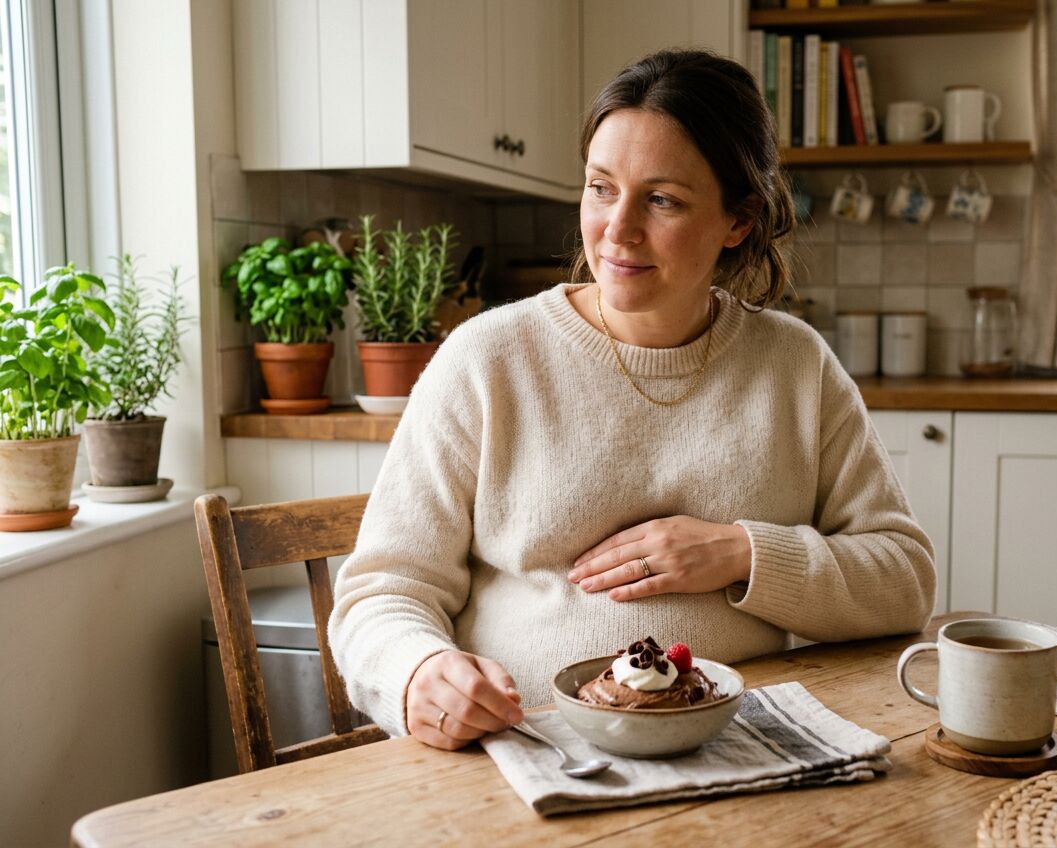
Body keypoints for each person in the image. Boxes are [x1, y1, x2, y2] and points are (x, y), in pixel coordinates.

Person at [329, 49, 935, 751]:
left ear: (737, 220)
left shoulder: (794, 365)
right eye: (600, 188)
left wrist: (743, 553)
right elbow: (381, 593)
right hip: (533, 750)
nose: (617, 229)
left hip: (737, 754)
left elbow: (903, 580)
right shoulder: (486, 359)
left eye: (663, 199)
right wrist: (418, 673)